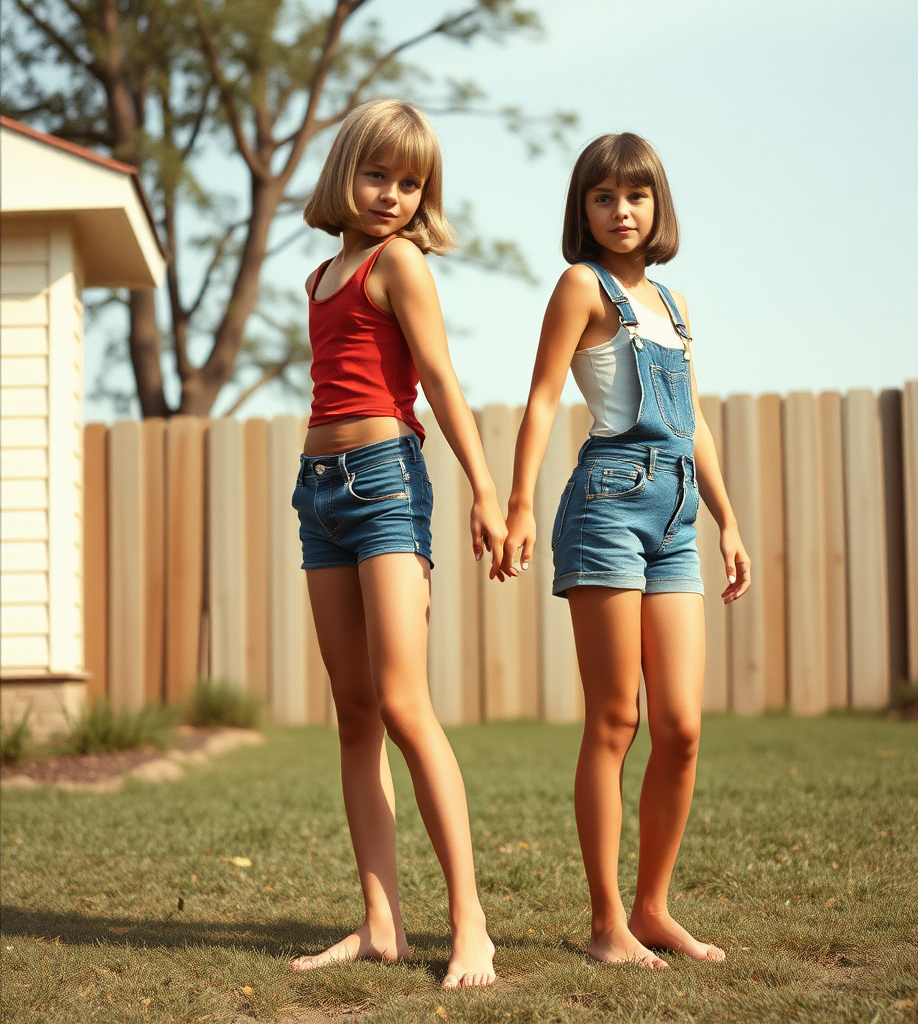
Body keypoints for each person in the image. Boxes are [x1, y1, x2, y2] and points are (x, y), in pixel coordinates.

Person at [500, 133, 751, 968]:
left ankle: (652, 909)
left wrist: (729, 520)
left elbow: (696, 422)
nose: (621, 211)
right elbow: (540, 400)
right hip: (606, 502)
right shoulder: (582, 287)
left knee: (680, 726)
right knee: (617, 717)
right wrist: (518, 503)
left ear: (658, 206)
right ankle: (606, 921)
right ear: (584, 211)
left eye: (636, 196)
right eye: (603, 198)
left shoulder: (675, 308)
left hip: (677, 512)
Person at [289, 98, 505, 988]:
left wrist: (487, 490)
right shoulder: (317, 277)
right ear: (346, 173)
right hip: (318, 494)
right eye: (378, 175)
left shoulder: (400, 262)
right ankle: (382, 924)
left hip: (385, 486)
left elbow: (444, 385)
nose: (392, 195)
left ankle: (473, 927)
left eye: (410, 183)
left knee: (404, 703)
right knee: (354, 712)